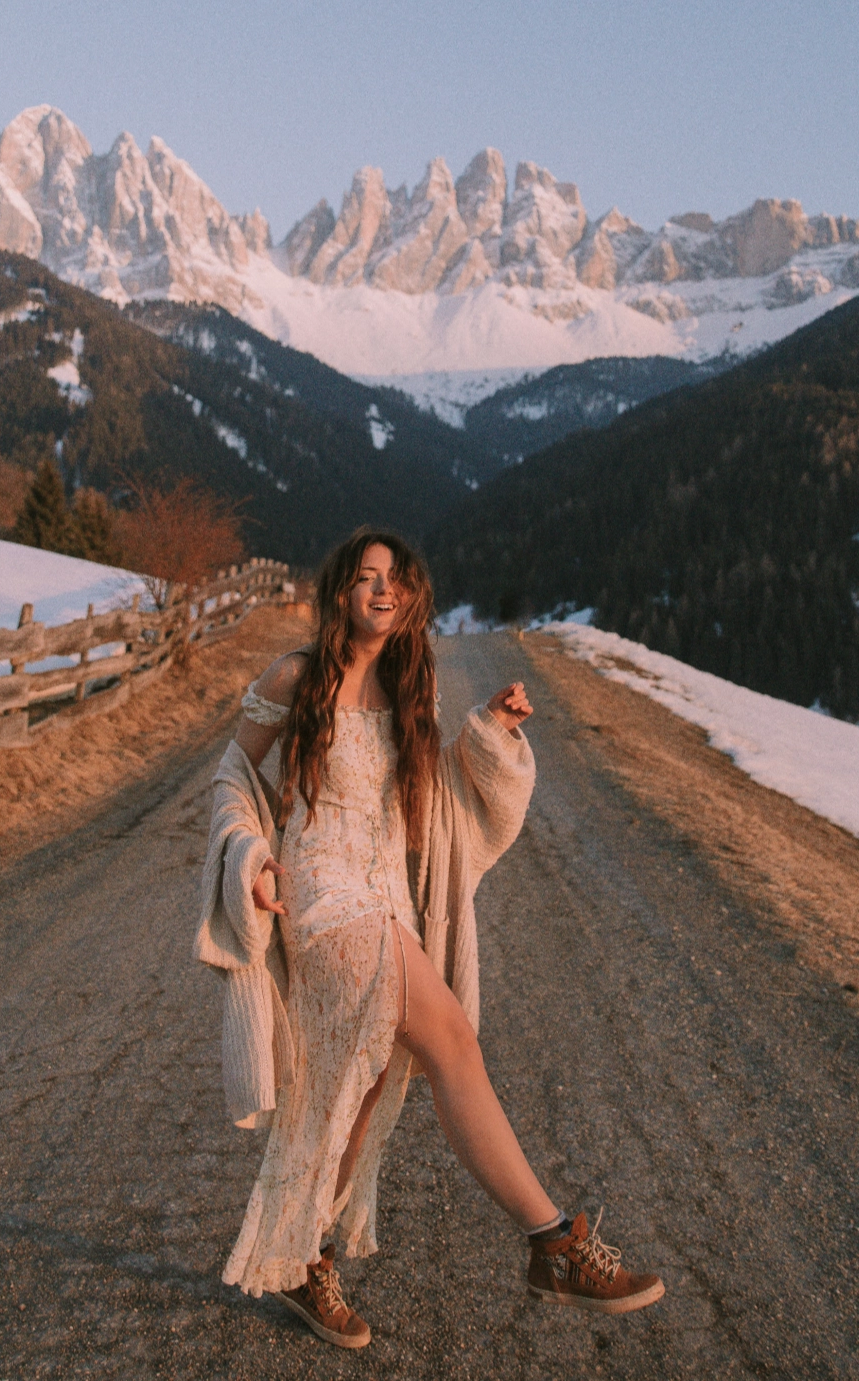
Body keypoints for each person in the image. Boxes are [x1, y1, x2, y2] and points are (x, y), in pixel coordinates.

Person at [194, 529, 663, 1349]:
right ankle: (553, 1241)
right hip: (323, 902)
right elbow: (234, 772)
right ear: (340, 591)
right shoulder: (295, 677)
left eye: (396, 580)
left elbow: (430, 794)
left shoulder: (415, 684)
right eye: (366, 578)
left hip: (389, 904)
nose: (381, 590)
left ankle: (308, 1259)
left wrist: (487, 733)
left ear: (411, 598)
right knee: (451, 1040)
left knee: (359, 1093)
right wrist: (250, 853)